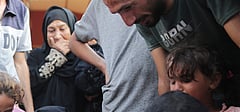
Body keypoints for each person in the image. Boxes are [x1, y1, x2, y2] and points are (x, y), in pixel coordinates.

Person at [102, 0, 240, 101]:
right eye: (119, 13)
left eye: (127, 8)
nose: (128, 21)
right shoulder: (146, 20)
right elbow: (165, 80)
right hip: (212, 103)